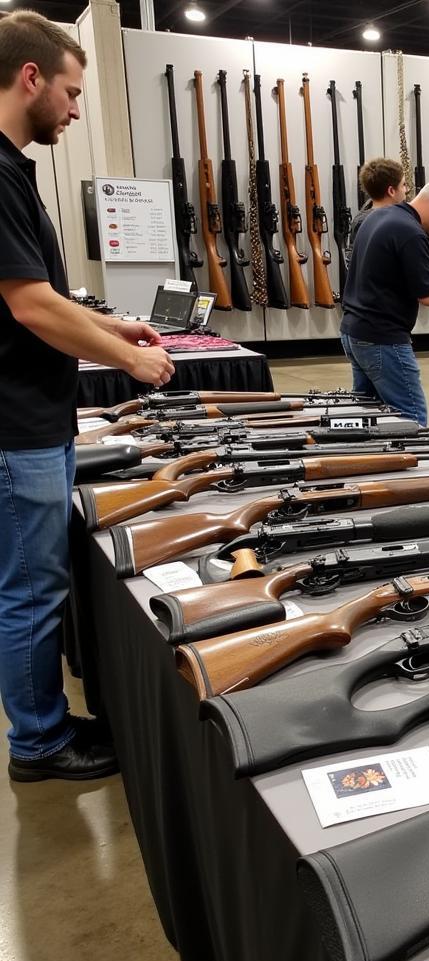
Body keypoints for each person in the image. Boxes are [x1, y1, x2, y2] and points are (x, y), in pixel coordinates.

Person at [0, 12, 174, 781]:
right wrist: (130, 365)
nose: (75, 109)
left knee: (35, 585)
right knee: (32, 593)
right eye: (71, 92)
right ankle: (38, 744)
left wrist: (119, 334)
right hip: (17, 424)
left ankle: (42, 726)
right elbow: (30, 305)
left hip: (33, 416)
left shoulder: (12, 170)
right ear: (30, 77)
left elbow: (46, 295)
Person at [341, 178, 429, 425]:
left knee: (366, 418)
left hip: (354, 332)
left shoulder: (376, 216)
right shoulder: (411, 233)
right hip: (382, 339)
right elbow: (428, 294)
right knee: (411, 418)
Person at [342, 158, 408, 396]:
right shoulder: (372, 220)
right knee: (408, 408)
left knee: (367, 400)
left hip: (363, 323)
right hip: (375, 325)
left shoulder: (369, 218)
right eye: (402, 185)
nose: (406, 190)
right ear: (391, 190)